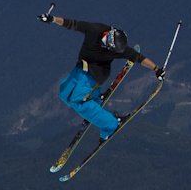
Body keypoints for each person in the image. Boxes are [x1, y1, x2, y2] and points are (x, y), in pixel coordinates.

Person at [40, 13, 165, 141]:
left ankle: (111, 125)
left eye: (108, 46)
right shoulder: (95, 29)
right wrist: (53, 19)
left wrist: (156, 69)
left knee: (77, 101)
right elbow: (72, 24)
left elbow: (139, 57)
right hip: (81, 68)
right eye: (105, 40)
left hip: (95, 74)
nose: (105, 45)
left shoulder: (119, 49)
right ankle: (94, 100)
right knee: (64, 93)